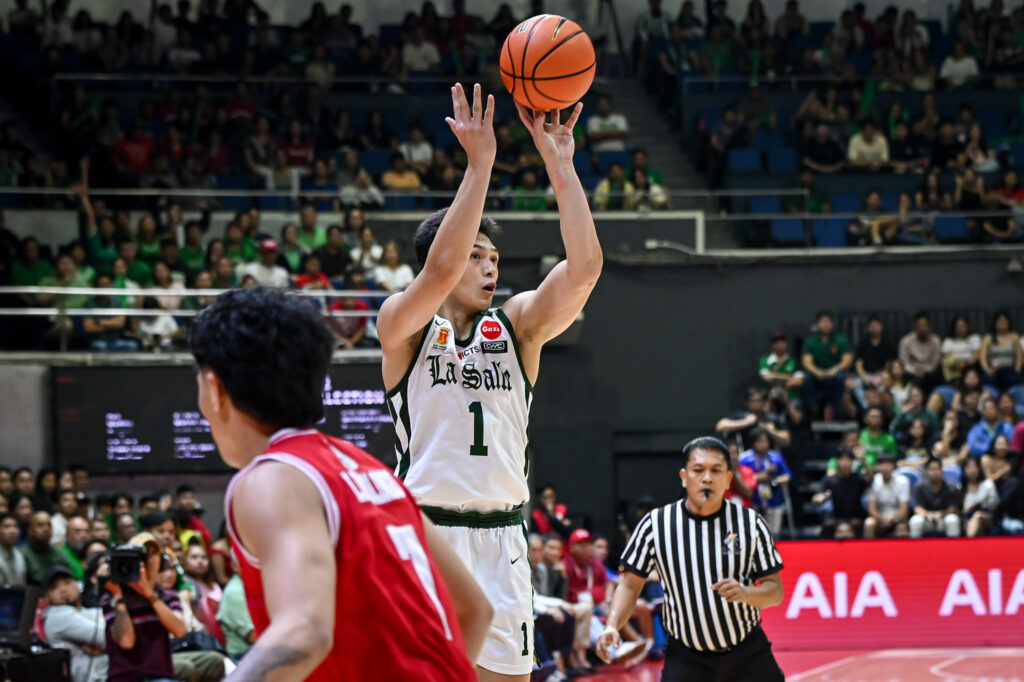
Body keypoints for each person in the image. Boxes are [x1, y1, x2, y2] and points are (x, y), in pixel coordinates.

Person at [376, 83, 602, 681]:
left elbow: (584, 271)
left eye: (492, 258)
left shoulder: (518, 328)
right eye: (476, 255)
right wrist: (479, 165)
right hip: (430, 532)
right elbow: (441, 268)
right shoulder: (402, 326)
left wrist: (562, 167)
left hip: (503, 538)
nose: (489, 266)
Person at [190, 287, 490, 681]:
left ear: (214, 388)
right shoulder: (369, 469)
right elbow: (474, 611)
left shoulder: (273, 479)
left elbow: (305, 631)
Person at [598, 437, 785, 681]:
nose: (707, 478)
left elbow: (776, 591)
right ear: (684, 477)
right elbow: (630, 586)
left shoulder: (751, 523)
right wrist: (612, 625)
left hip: (747, 653)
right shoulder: (656, 525)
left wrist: (747, 593)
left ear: (728, 479)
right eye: (698, 470)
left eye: (716, 471)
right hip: (687, 657)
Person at [42, 565, 109, 682]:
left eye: (67, 583)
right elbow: (106, 638)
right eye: (54, 587)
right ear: (47, 596)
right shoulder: (57, 616)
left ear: (78, 585)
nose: (63, 590)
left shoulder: (91, 611)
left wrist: (106, 648)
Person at [739, 428, 793, 534]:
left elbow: (787, 475)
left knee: (773, 533)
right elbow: (741, 477)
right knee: (753, 533)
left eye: (765, 441)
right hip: (753, 502)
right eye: (759, 441)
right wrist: (757, 477)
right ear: (753, 442)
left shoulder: (776, 457)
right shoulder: (745, 458)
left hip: (774, 500)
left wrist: (778, 480)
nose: (763, 444)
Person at [801, 311, 854, 420]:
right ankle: (813, 408)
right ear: (817, 324)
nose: (825, 325)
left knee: (841, 377)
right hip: (817, 375)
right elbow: (807, 361)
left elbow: (847, 360)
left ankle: (838, 407)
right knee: (807, 378)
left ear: (833, 324)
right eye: (822, 322)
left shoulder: (841, 340)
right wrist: (817, 372)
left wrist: (834, 370)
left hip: (834, 374)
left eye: (828, 322)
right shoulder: (811, 342)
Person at [813, 447, 868, 537]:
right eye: (842, 459)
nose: (845, 463)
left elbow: (870, 479)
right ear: (837, 461)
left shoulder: (858, 478)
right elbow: (816, 498)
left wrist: (863, 461)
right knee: (828, 524)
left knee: (858, 524)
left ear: (852, 461)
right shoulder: (829, 480)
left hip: (856, 516)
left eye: (848, 459)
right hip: (837, 516)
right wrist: (820, 498)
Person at [910, 457, 961, 538]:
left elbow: (953, 508)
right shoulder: (919, 487)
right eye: (931, 469)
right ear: (926, 472)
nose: (934, 472)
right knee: (915, 521)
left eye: (937, 469)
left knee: (952, 519)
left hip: (943, 519)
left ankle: (953, 549)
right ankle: (915, 549)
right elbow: (917, 507)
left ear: (942, 471)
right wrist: (928, 515)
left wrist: (941, 514)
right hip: (927, 520)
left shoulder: (951, 487)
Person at [19, 509, 71, 585]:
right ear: (30, 530)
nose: (46, 529)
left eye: (49, 525)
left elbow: (69, 577)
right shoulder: (22, 554)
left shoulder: (58, 553)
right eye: (40, 525)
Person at [863, 454, 910, 538]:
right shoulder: (872, 482)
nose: (885, 467)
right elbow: (872, 509)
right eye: (881, 464)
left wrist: (893, 518)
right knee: (869, 523)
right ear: (877, 466)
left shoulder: (903, 481)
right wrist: (881, 519)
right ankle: (869, 549)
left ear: (893, 466)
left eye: (888, 464)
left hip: (898, 517)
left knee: (902, 527)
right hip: (879, 517)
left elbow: (904, 510)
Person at [899, 311, 943, 394]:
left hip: (930, 373)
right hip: (911, 373)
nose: (923, 329)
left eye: (925, 325)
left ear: (929, 326)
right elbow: (904, 361)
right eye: (920, 326)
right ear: (915, 326)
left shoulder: (936, 341)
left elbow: (936, 362)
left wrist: (924, 371)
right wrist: (915, 371)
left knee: (936, 374)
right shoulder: (906, 341)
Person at [979, 311, 1023, 392]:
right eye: (1000, 322)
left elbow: (1019, 356)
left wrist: (1017, 370)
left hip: (1010, 369)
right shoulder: (988, 338)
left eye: (1004, 322)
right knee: (988, 382)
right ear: (995, 324)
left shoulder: (1014, 337)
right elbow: (982, 358)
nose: (1002, 325)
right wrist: (988, 370)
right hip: (994, 369)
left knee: (1014, 381)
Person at [758, 331, 804, 402]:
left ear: (786, 344)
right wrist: (788, 377)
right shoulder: (765, 360)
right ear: (772, 345)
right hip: (772, 397)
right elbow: (766, 377)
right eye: (777, 343)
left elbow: (799, 381)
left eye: (782, 342)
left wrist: (776, 378)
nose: (779, 345)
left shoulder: (794, 361)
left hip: (791, 397)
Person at [960, 457, 999, 537]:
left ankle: (968, 543)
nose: (972, 471)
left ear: (979, 469)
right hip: (968, 518)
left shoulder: (988, 484)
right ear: (964, 470)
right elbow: (960, 509)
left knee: (978, 516)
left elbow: (995, 504)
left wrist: (978, 504)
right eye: (968, 468)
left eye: (974, 467)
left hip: (988, 517)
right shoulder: (961, 488)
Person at [0, 513, 26, 585]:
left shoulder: (19, 555)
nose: (12, 531)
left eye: (16, 526)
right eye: (6, 527)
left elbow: (22, 585)